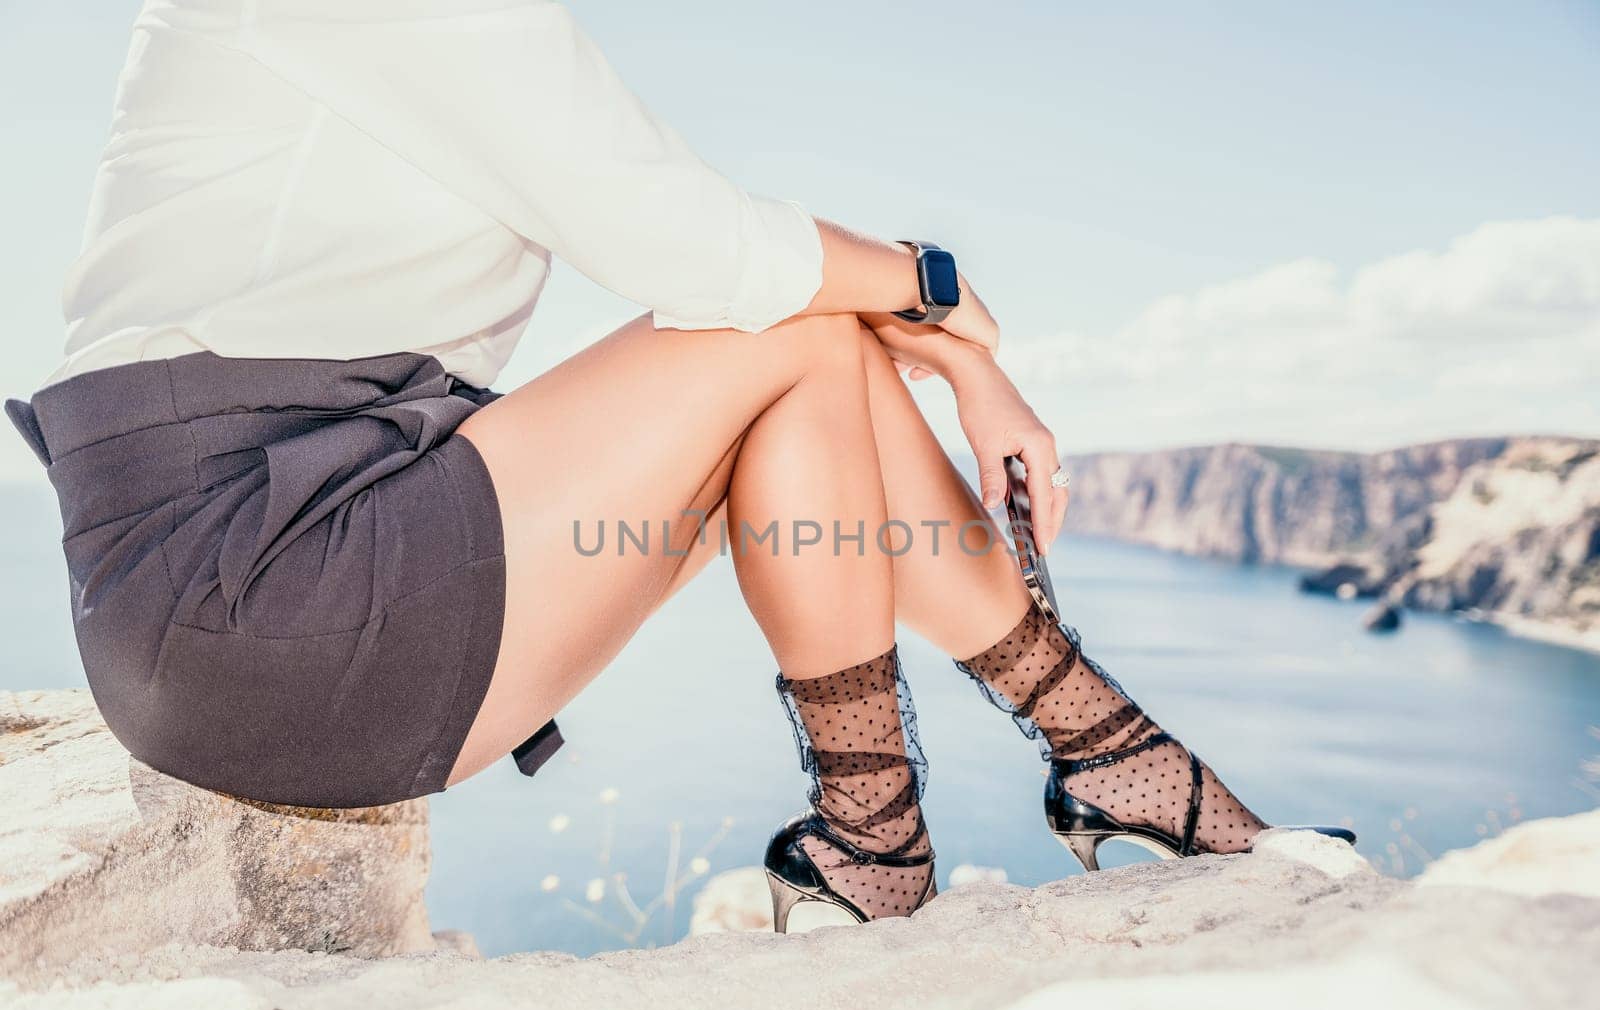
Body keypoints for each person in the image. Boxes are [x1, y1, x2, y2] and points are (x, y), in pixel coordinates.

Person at [7, 1, 1349, 932]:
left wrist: (936, 341)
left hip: (278, 578)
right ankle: (1031, 780)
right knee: (793, 337)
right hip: (251, 591)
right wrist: (947, 308)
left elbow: (726, 259)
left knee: (805, 360)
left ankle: (906, 836)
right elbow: (697, 245)